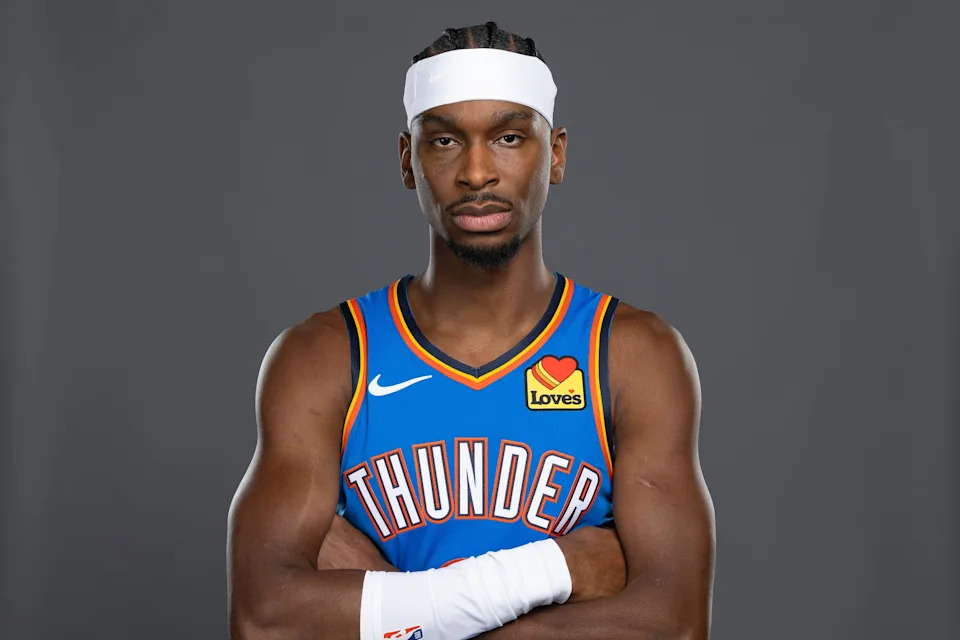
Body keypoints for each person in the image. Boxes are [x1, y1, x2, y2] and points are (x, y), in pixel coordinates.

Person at [228, 22, 715, 640]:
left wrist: (404, 609)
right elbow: (265, 620)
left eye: (509, 137)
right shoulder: (325, 357)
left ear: (556, 154)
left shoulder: (631, 355)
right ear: (408, 161)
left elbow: (673, 626)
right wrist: (554, 571)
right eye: (445, 142)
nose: (477, 171)